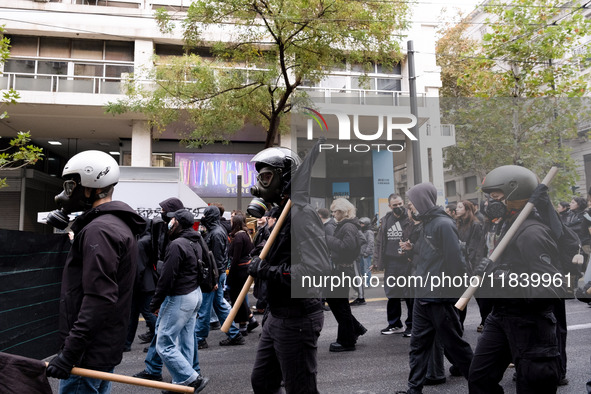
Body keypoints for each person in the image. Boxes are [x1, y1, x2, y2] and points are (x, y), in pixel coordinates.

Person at [45, 150, 146, 394]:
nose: (66, 193)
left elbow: (99, 298)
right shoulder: (114, 225)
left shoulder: (99, 231)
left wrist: (69, 354)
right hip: (101, 348)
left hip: (86, 355)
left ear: (90, 186)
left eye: (71, 185)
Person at [468, 165, 563, 394]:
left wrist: (502, 276)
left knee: (533, 384)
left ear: (515, 195)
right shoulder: (505, 226)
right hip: (500, 316)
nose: (491, 203)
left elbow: (550, 288)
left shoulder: (532, 232)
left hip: (530, 322)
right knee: (479, 378)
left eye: (496, 197)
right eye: (490, 198)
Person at [248, 147, 331, 393]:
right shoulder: (278, 214)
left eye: (266, 177)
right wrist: (257, 256)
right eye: (260, 178)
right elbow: (272, 251)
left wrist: (267, 270)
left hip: (297, 317)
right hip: (275, 314)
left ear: (284, 177)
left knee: (300, 387)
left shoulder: (302, 215)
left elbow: (316, 269)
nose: (261, 184)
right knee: (262, 382)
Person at [403, 182, 473, 394]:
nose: (410, 206)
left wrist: (455, 292)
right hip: (423, 295)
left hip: (439, 297)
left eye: (412, 202)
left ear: (422, 201)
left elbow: (455, 261)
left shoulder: (443, 224)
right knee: (418, 346)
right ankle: (413, 389)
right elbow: (428, 257)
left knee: (455, 346)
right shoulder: (425, 223)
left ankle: (483, 385)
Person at [150, 208, 208, 393]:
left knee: (164, 343)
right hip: (194, 294)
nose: (169, 223)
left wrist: (155, 303)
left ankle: (190, 379)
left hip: (181, 297)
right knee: (185, 341)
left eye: (172, 220)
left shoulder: (176, 245)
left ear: (178, 223)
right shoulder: (195, 241)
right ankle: (181, 384)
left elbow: (167, 277)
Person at [132, 197, 185, 381]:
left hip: (178, 293)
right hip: (180, 292)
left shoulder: (177, 241)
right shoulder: (177, 237)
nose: (162, 215)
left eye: (164, 211)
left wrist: (158, 298)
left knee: (168, 336)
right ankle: (156, 369)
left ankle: (186, 375)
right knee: (167, 335)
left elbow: (167, 272)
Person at [194, 205, 244, 353]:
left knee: (205, 307)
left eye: (206, 215)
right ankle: (234, 334)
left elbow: (215, 258)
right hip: (217, 274)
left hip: (213, 275)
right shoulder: (217, 231)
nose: (203, 217)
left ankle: (199, 338)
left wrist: (213, 280)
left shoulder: (215, 233)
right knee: (219, 305)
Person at [325, 198, 368, 352]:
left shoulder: (348, 226)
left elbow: (346, 247)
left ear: (343, 212)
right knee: (337, 302)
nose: (333, 214)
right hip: (341, 269)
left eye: (335, 211)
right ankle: (354, 329)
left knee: (340, 304)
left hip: (343, 269)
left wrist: (327, 239)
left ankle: (347, 340)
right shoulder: (347, 225)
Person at [373, 193, 414, 336]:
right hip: (391, 262)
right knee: (392, 294)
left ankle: (411, 325)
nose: (398, 207)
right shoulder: (386, 220)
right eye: (395, 205)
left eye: (400, 204)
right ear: (390, 206)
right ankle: (395, 324)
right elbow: (379, 242)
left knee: (409, 294)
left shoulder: (410, 218)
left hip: (406, 262)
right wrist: (376, 261)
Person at [228, 213, 259, 336]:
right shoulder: (246, 234)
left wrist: (230, 276)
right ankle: (250, 319)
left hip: (239, 271)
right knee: (240, 297)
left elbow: (235, 259)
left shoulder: (239, 237)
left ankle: (243, 325)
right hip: (244, 269)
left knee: (237, 298)